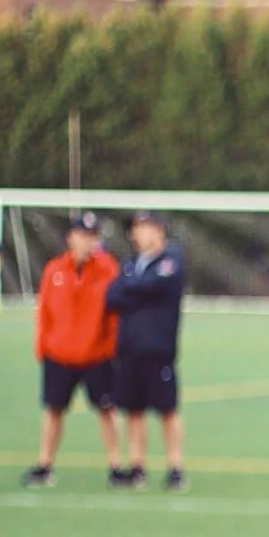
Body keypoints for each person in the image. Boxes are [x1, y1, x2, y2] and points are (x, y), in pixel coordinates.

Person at [23, 211, 125, 489]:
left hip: (96, 356)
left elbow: (115, 315)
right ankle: (45, 464)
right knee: (53, 411)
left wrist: (111, 349)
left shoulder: (107, 269)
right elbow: (44, 312)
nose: (87, 242)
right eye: (82, 235)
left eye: (92, 236)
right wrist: (43, 347)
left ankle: (116, 465)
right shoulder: (55, 270)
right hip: (60, 355)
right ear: (70, 238)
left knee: (107, 410)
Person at [104, 211, 186, 492]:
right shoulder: (131, 264)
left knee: (167, 410)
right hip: (129, 349)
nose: (137, 233)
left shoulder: (171, 261)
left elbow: (151, 285)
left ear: (158, 230)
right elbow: (112, 296)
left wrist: (133, 290)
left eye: (143, 227)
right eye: (136, 228)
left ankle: (175, 467)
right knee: (133, 410)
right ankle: (137, 466)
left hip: (158, 349)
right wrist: (134, 290)